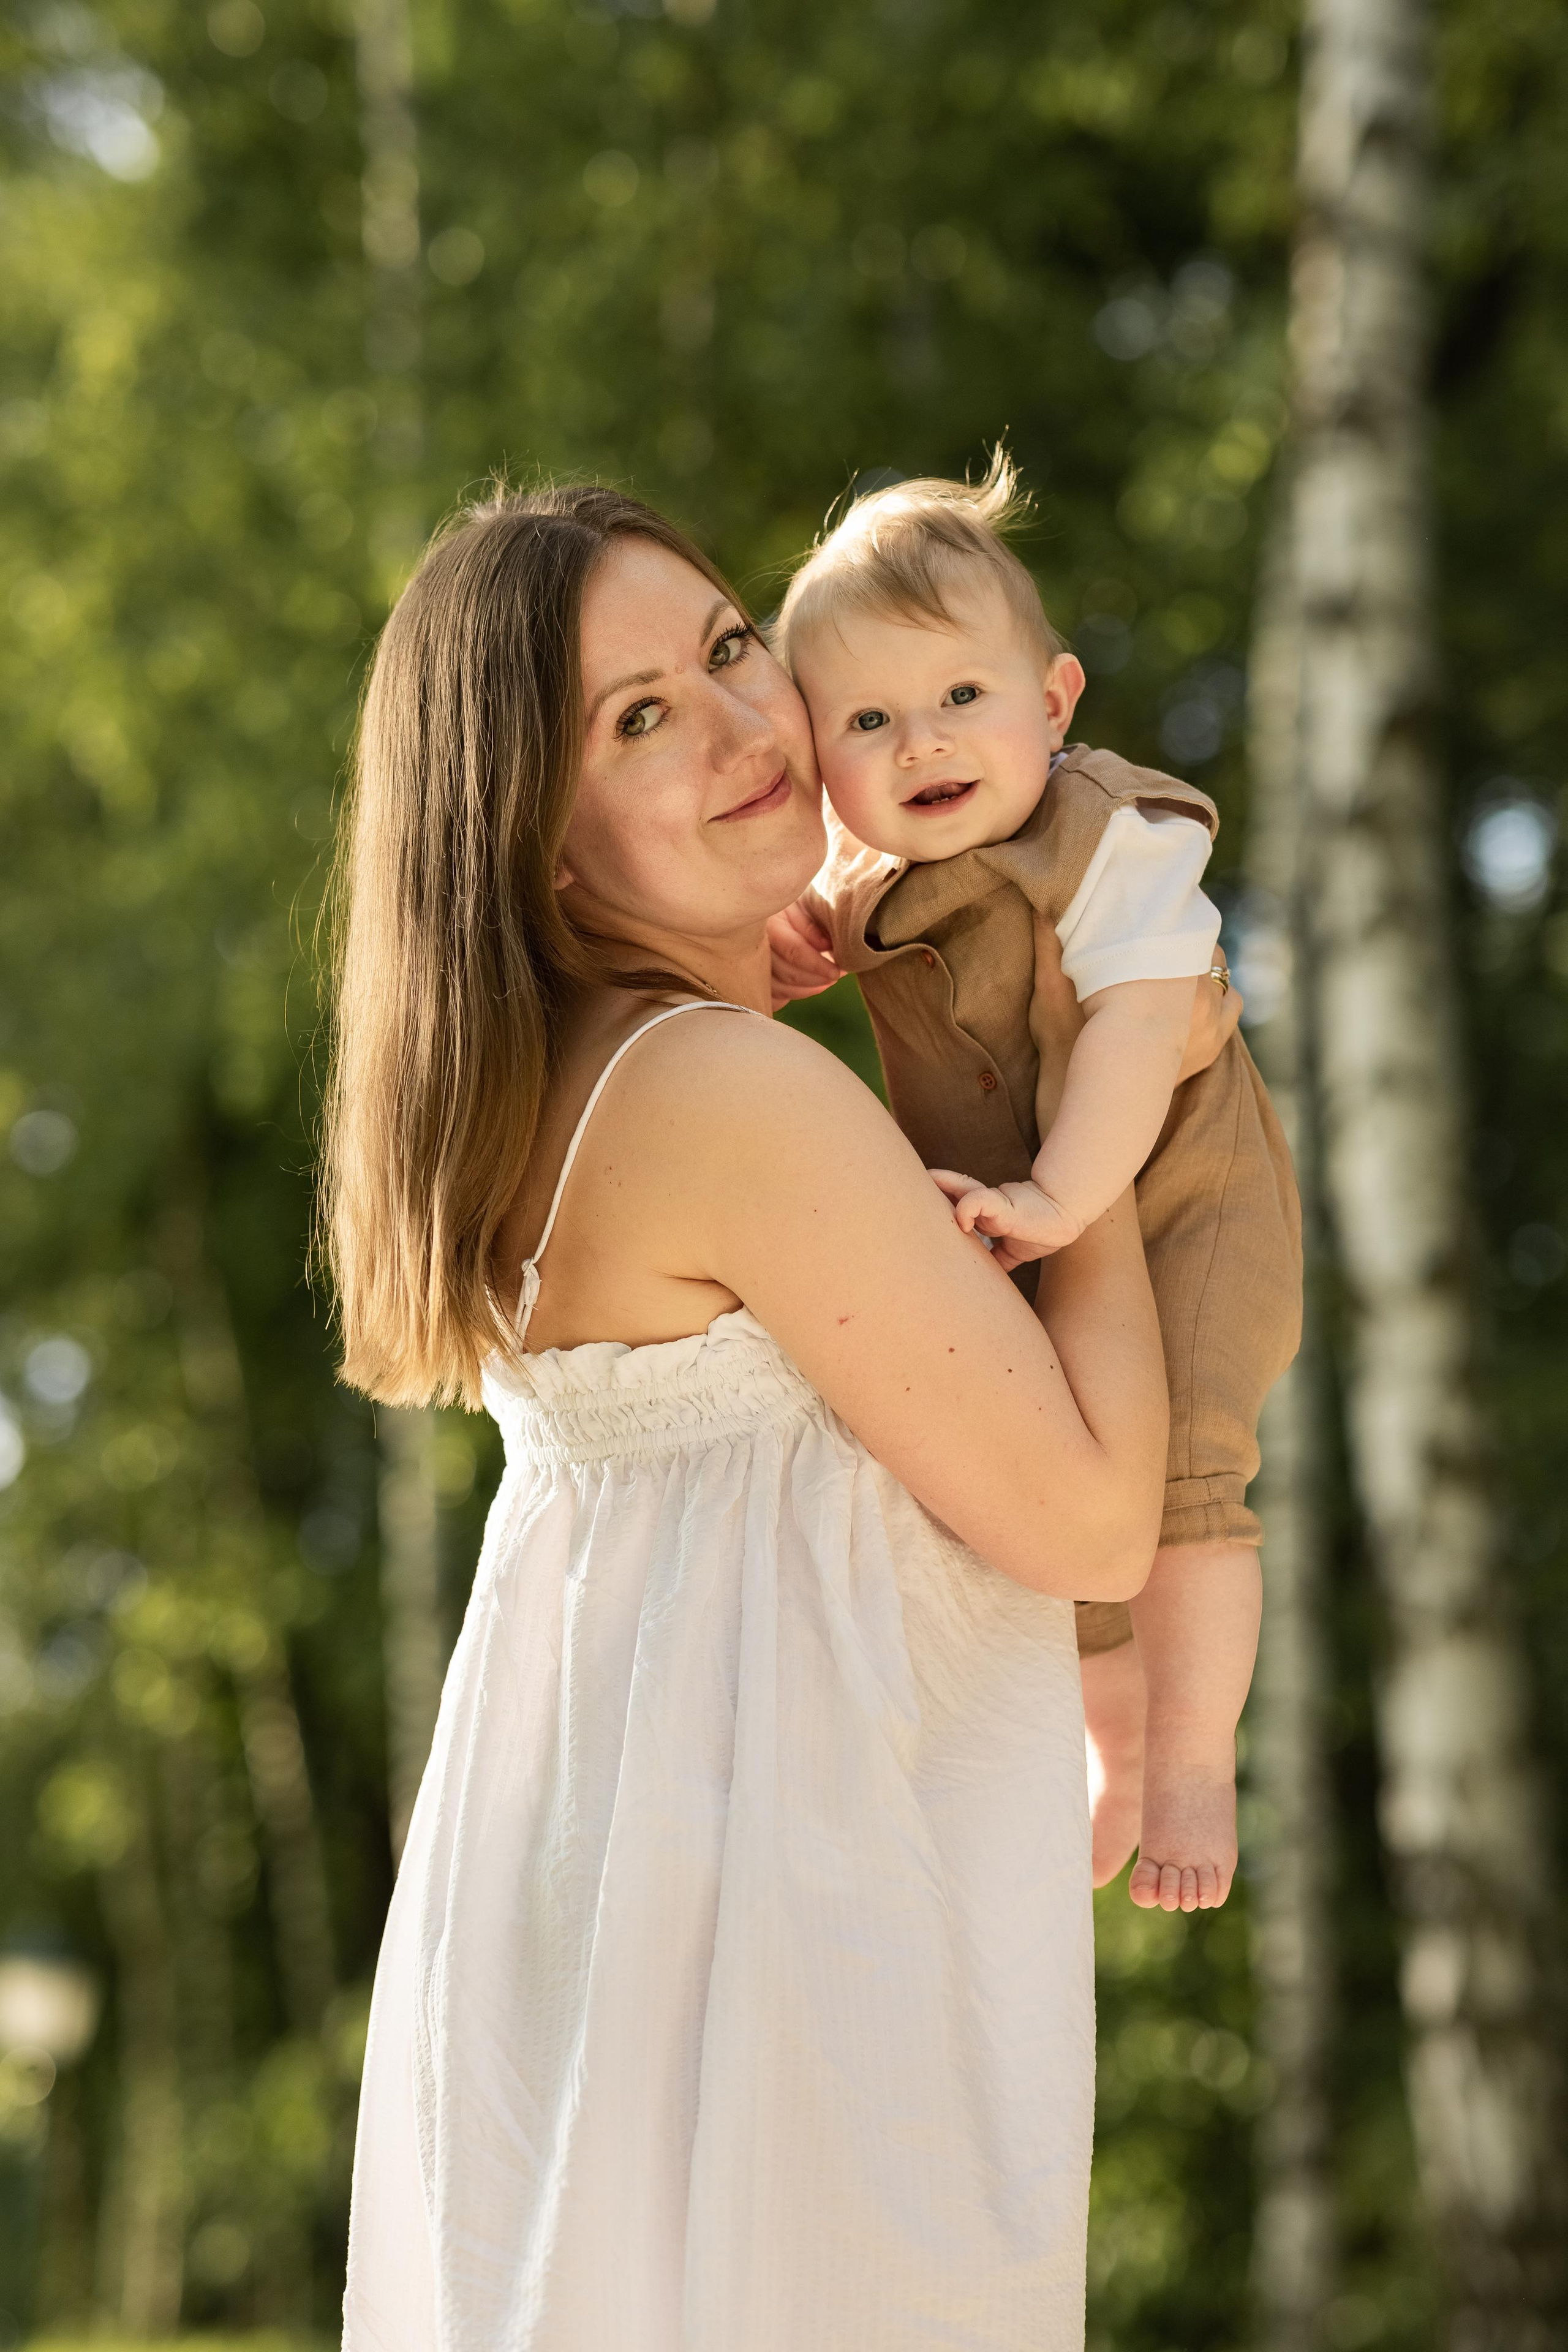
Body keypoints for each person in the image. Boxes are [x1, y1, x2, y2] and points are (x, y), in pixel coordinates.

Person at [326, 481, 1226, 2351]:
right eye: (638, 718)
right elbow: (1080, 1520)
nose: (748, 725)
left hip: (622, 1911)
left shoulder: (557, 1095)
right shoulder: (727, 1089)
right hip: (789, 1954)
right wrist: (1092, 1109)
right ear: (539, 836)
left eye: (733, 648)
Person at [768, 457, 1302, 1912]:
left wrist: (1070, 1199)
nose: (919, 743)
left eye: (958, 699)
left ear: (1052, 704)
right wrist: (785, 941)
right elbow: (800, 933)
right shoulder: (866, 873)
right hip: (1023, 1218)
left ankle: (1192, 1755)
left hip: (1176, 1195)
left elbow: (1135, 1029)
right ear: (824, 763)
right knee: (1040, 1479)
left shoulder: (1115, 839)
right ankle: (1110, 1751)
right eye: (866, 721)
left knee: (1183, 1465)